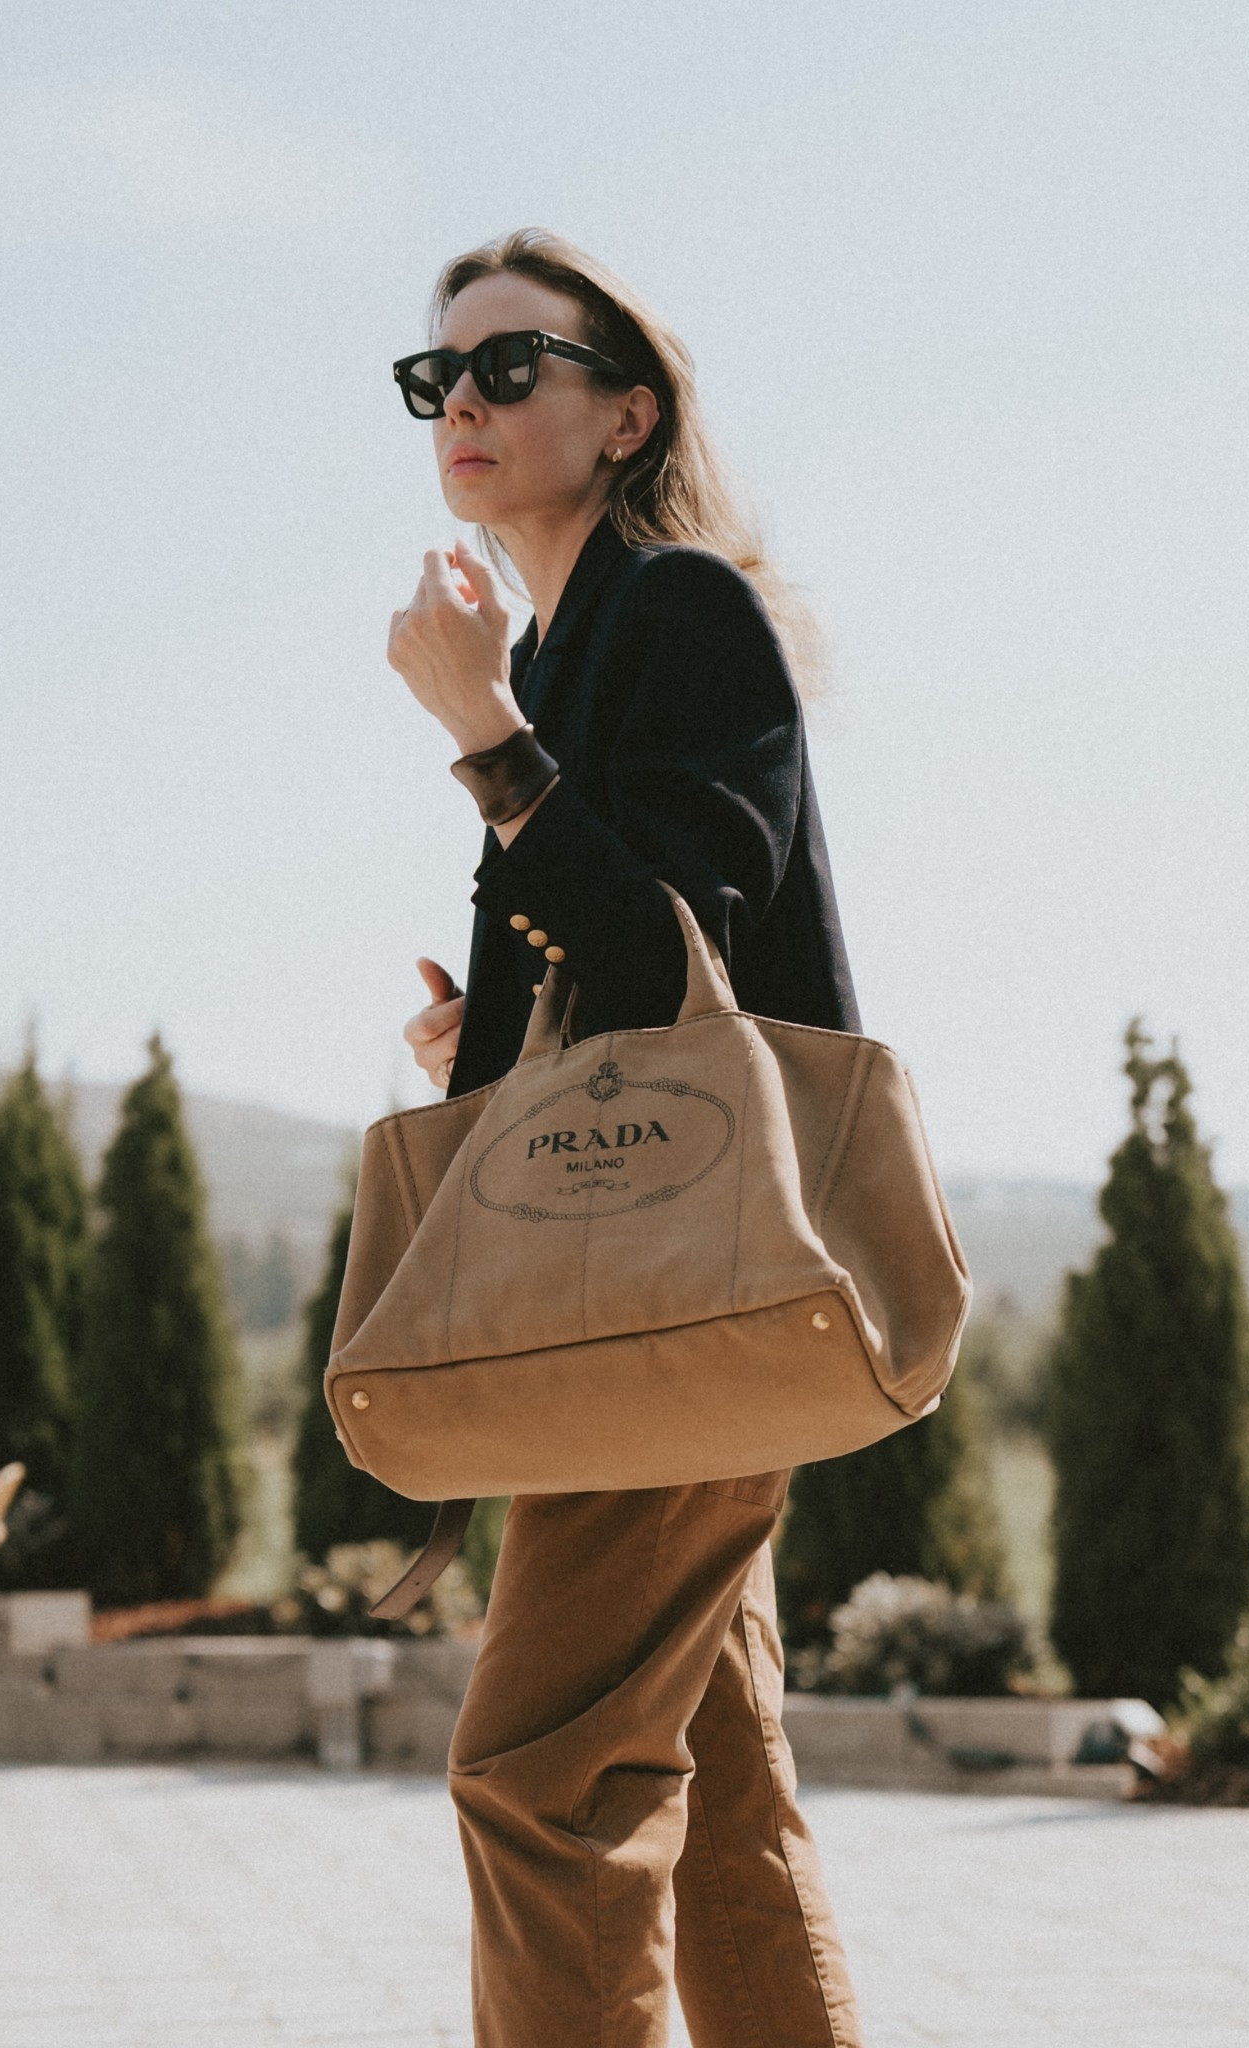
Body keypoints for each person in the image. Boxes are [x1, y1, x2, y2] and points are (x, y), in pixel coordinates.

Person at [387, 228, 864, 2048]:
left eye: (512, 367)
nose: (467, 406)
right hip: (662, 1289)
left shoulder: (675, 612)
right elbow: (625, 954)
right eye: (441, 379)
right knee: (722, 1815)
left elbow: (675, 963)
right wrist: (486, 1033)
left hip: (689, 1281)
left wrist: (485, 736)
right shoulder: (571, 646)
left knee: (537, 1782)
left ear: (626, 410)